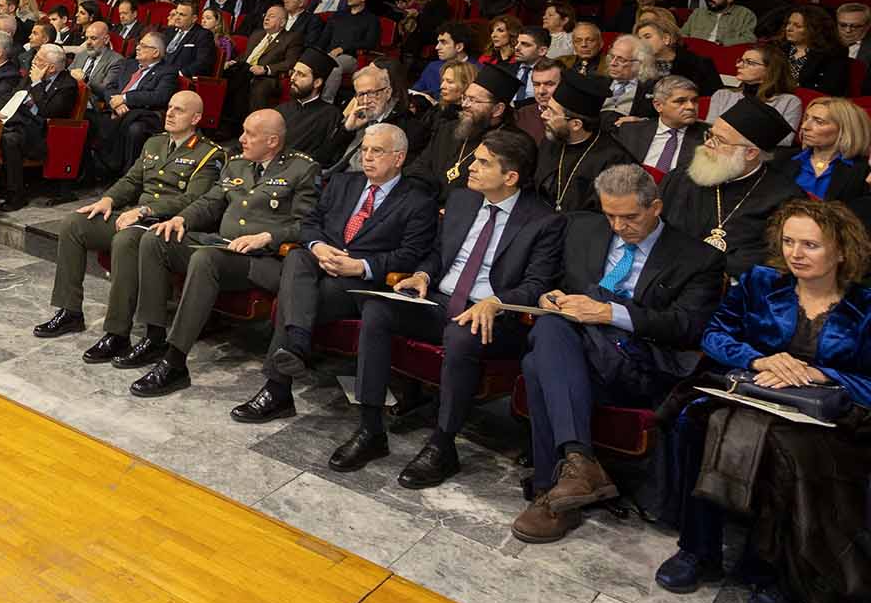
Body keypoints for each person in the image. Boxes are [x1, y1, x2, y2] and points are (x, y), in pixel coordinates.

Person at [657, 200, 871, 603]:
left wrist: (822, 374)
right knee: (700, 422)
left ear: (841, 251)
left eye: (810, 245)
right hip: (752, 390)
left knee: (784, 446)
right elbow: (714, 335)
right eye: (789, 242)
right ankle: (698, 548)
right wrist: (758, 359)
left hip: (827, 415)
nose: (795, 253)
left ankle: (770, 573)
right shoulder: (760, 283)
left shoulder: (865, 306)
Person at [510, 163, 725, 543]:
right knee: (543, 346)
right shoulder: (583, 229)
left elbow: (687, 327)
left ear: (655, 207)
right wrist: (548, 297)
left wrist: (610, 313)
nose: (618, 227)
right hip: (575, 359)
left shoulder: (697, 258)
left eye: (630, 217)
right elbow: (553, 282)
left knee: (540, 354)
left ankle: (552, 486)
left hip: (639, 365)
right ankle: (571, 476)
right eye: (610, 215)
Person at [339, 130, 562, 487]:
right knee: (377, 311)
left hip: (492, 315)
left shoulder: (544, 221)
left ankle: (443, 445)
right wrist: (423, 275)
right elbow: (437, 252)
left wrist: (496, 302)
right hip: (441, 301)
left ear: (510, 176)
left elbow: (537, 283)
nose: (471, 167)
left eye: (483, 163)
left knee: (461, 336)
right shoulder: (462, 200)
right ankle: (370, 429)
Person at [230, 122, 437, 424]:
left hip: (360, 283)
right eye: (364, 149)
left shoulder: (418, 200)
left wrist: (361, 266)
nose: (367, 157)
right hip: (320, 264)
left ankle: (279, 385)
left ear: (399, 157)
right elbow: (310, 223)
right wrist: (318, 247)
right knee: (298, 256)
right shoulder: (343, 183)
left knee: (297, 296)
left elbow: (411, 254)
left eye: (377, 151)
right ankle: (296, 344)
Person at [123, 111, 321, 396]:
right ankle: (154, 336)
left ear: (272, 141)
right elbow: (210, 202)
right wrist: (181, 219)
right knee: (156, 239)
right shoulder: (237, 164)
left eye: (250, 134)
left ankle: (175, 361)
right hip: (225, 246)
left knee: (206, 259)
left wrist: (267, 237)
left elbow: (308, 225)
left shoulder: (302, 169)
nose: (241, 139)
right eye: (243, 131)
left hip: (265, 260)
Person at [35, 91, 224, 341]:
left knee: (124, 240)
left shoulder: (209, 154)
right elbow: (132, 180)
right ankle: (70, 312)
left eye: (179, 110)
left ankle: (117, 332)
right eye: (169, 107)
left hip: (163, 226)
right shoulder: (154, 142)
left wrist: (146, 211)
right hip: (136, 217)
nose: (169, 113)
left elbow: (193, 199)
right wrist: (108, 200)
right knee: (74, 224)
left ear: (196, 118)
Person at [660, 99, 804, 278]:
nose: (708, 144)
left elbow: (768, 262)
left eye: (720, 140)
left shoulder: (785, 200)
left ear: (750, 153)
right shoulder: (682, 177)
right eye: (710, 135)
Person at [409, 64, 523, 194]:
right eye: (465, 97)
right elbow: (419, 167)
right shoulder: (448, 129)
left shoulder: (512, 145)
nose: (465, 104)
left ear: (497, 109)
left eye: (474, 100)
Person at [0, 43, 79, 211]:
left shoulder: (67, 85)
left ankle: (16, 195)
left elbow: (48, 111)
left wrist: (36, 84)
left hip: (44, 135)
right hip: (20, 125)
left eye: (39, 60)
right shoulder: (31, 76)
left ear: (52, 68)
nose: (33, 61)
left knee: (10, 139)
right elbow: (11, 95)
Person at [536, 74, 636, 213]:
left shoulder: (615, 162)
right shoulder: (552, 140)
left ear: (576, 124)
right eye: (546, 109)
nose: (543, 115)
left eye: (551, 112)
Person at [87, 32, 179, 179]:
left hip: (143, 114)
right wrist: (115, 103)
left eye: (143, 46)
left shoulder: (167, 71)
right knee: (87, 119)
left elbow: (159, 97)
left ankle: (128, 176)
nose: (137, 48)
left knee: (135, 129)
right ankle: (93, 171)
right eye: (138, 44)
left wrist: (125, 98)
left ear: (155, 52)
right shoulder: (128, 64)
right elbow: (110, 87)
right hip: (116, 109)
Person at [707, 43, 803, 145]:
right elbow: (710, 129)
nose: (738, 65)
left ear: (770, 69)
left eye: (749, 62)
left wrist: (729, 135)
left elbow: (785, 140)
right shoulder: (722, 95)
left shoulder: (790, 101)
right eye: (741, 61)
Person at [225, 6, 303, 123]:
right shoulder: (257, 34)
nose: (266, 18)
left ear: (282, 22)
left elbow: (290, 62)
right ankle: (226, 121)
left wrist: (266, 69)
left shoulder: (291, 38)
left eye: (271, 16)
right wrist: (234, 61)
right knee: (226, 76)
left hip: (267, 77)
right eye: (266, 15)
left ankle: (254, 124)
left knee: (257, 86)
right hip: (244, 70)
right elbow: (246, 55)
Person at [615, 76, 706, 176]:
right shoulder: (631, 131)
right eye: (680, 101)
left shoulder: (708, 137)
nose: (691, 107)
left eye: (694, 101)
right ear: (658, 106)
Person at [791, 97, 871, 202]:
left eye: (819, 122)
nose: (804, 126)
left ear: (845, 130)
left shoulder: (863, 172)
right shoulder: (782, 158)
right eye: (806, 118)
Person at [279, 53, 341, 163]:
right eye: (293, 72)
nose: (292, 78)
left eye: (301, 74)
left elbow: (328, 155)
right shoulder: (280, 110)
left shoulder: (331, 115)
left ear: (317, 83)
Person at [776, 4, 851, 96]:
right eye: (788, 23)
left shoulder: (833, 54)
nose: (788, 29)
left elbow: (828, 90)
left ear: (815, 29)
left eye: (798, 26)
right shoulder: (779, 47)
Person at [679, 0, 756, 46]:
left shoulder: (744, 14)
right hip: (695, 50)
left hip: (723, 52)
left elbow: (750, 38)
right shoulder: (698, 12)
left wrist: (723, 43)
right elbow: (683, 33)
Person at [413, 22, 480, 97]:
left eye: (443, 42)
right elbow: (415, 92)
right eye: (438, 42)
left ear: (459, 47)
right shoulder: (432, 67)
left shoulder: (478, 71)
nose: (437, 47)